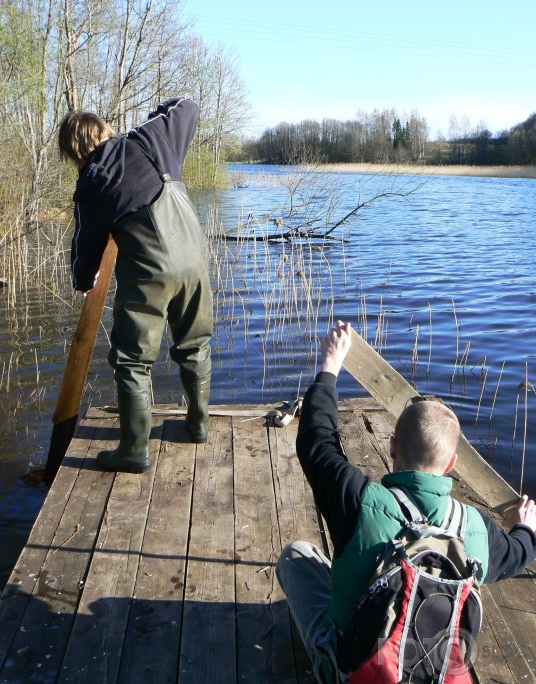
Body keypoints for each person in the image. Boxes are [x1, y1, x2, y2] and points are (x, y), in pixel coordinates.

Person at [276, 321, 536, 683]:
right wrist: (527, 527)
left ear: (392, 446)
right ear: (451, 465)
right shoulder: (477, 528)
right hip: (432, 670)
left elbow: (317, 444)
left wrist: (331, 364)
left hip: (359, 674)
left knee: (298, 554)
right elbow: (518, 553)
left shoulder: (361, 502)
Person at [58, 97, 212, 473]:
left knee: (131, 359)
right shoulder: (153, 137)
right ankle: (198, 426)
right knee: (194, 344)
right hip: (194, 260)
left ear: (74, 152)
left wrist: (82, 279)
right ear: (107, 129)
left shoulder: (93, 181)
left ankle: (133, 450)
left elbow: (85, 245)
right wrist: (157, 111)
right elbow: (187, 105)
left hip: (149, 273)